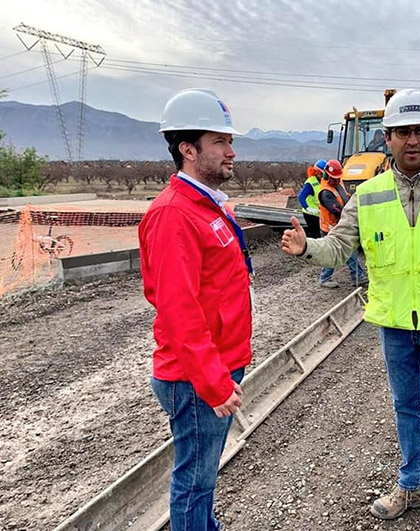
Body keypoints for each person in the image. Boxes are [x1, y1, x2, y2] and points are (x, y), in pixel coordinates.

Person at [281, 89, 420, 531]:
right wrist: (308, 248)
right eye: (402, 132)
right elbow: (339, 248)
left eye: (419, 131)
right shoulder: (368, 195)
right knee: (406, 409)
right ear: (388, 138)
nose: (411, 140)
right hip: (395, 324)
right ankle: (412, 486)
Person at [139, 88, 252, 531]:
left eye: (230, 140)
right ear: (188, 150)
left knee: (203, 479)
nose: (231, 151)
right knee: (194, 481)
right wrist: (213, 382)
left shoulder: (205, 206)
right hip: (195, 377)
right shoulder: (174, 215)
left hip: (216, 365)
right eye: (220, 141)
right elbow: (178, 310)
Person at [317, 159, 367, 288]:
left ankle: (326, 278)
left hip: (341, 225)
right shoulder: (325, 193)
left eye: (338, 178)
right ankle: (357, 277)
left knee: (337, 253)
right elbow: (336, 209)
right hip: (331, 228)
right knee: (347, 251)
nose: (337, 181)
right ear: (326, 176)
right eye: (334, 178)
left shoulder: (338, 185)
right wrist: (352, 215)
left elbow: (346, 198)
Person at [298, 159, 326, 238]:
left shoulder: (323, 181)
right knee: (315, 234)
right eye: (321, 174)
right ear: (317, 172)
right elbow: (301, 196)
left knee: (319, 234)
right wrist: (308, 208)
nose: (323, 176)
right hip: (311, 214)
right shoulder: (310, 183)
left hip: (319, 213)